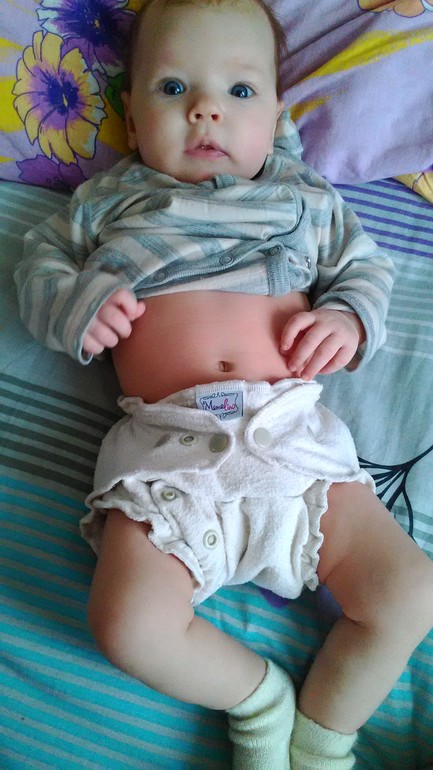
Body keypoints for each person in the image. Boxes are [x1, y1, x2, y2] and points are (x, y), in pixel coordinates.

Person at [14, 0, 433, 767]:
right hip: (167, 455)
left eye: (240, 91)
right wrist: (78, 305)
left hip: (294, 445)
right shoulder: (106, 202)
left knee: (409, 593)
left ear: (275, 116)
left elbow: (365, 270)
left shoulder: (302, 197)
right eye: (172, 87)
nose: (205, 108)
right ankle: (257, 699)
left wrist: (347, 319)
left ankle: (322, 741)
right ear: (131, 119)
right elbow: (39, 271)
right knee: (128, 626)